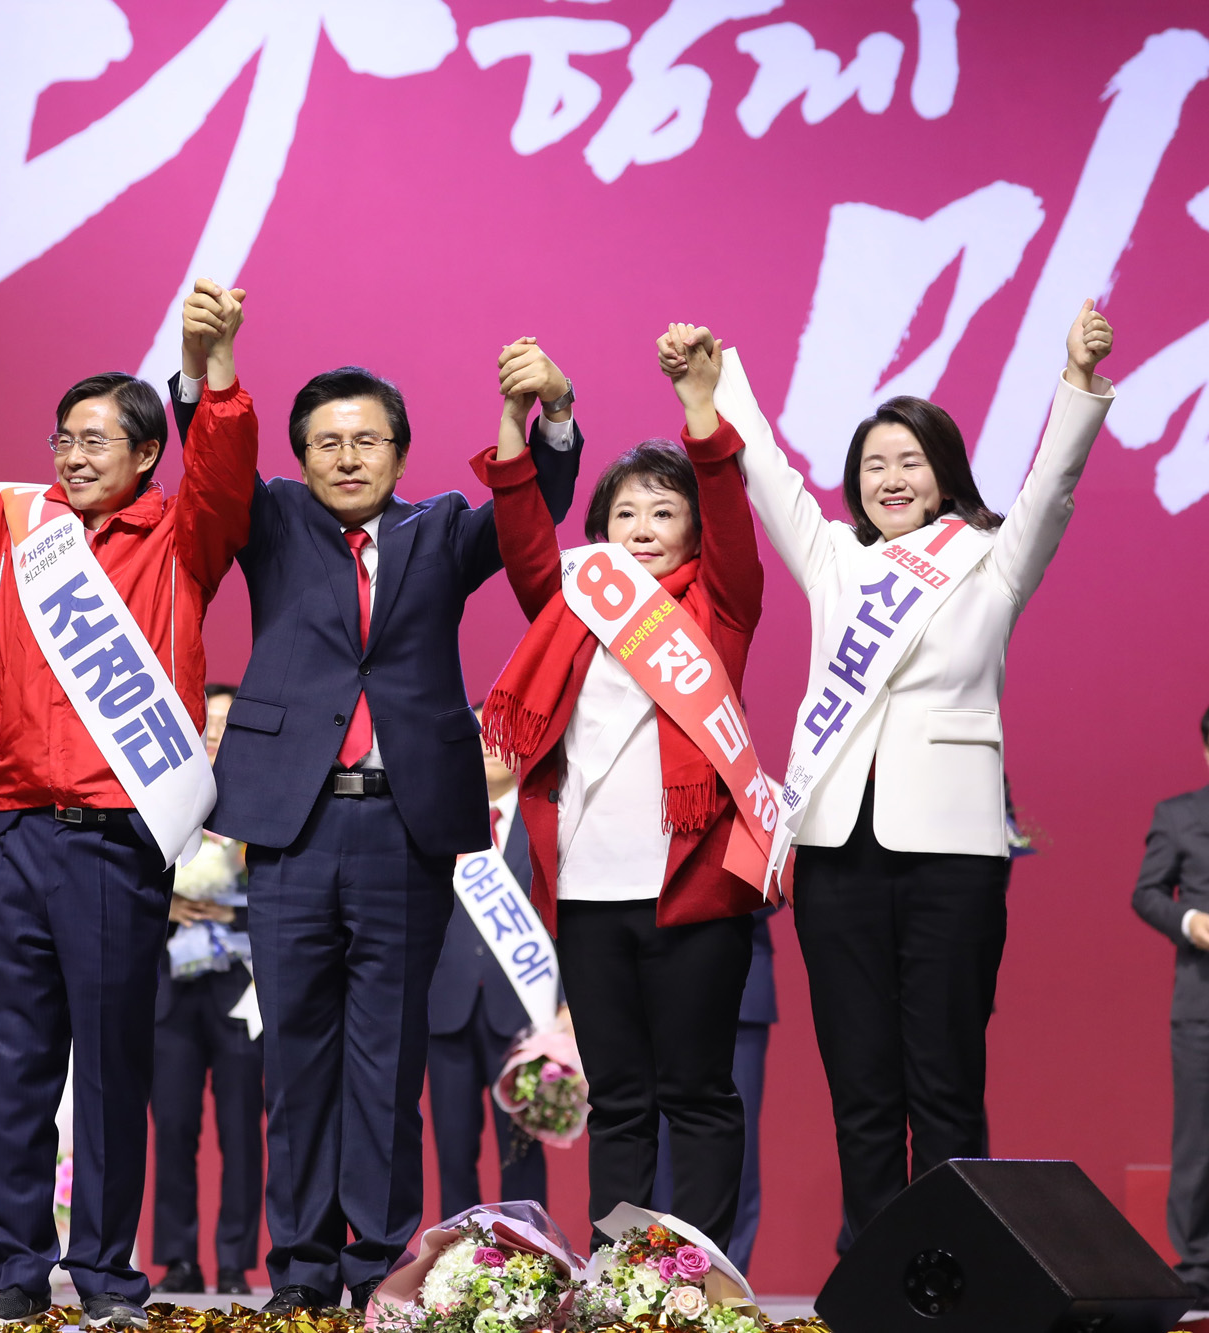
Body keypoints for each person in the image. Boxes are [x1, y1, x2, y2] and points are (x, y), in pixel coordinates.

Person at [177, 334, 576, 1313]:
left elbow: (532, 520)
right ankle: (302, 1267)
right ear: (298, 456)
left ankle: (381, 1263)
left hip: (404, 824)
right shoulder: (267, 520)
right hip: (291, 824)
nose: (345, 457)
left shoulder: (441, 527)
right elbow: (211, 466)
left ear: (399, 451)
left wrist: (550, 418)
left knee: (387, 1060)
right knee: (295, 1055)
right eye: (323, 441)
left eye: (365, 440)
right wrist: (207, 373)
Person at [0, 279, 257, 1330]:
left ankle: (102, 1271)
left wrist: (211, 370)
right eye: (62, 437)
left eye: (97, 438)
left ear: (146, 452)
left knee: (108, 1064)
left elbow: (226, 467)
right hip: (20, 833)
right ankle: (13, 1263)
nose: (73, 454)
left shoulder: (183, 536)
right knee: (13, 1059)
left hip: (115, 840)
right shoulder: (17, 530)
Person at [721, 302, 1114, 1245]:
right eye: (873, 465)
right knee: (860, 1081)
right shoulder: (834, 561)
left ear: (944, 472)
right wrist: (716, 381)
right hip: (835, 854)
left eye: (910, 460)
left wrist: (1077, 383)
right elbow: (768, 477)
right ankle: (872, 1269)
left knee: (942, 1077)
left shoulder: (992, 559)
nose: (891, 478)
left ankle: (957, 1273)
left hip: (951, 853)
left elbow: (1052, 483)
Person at [477, 329, 765, 1251]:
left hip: (694, 890)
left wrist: (698, 410)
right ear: (601, 532)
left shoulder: (719, 604)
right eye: (625, 515)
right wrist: (514, 425)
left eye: (663, 513)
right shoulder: (572, 602)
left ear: (691, 528)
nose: (642, 530)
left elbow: (728, 507)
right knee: (624, 1098)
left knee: (699, 1091)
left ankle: (704, 1269)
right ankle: (619, 1266)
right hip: (592, 893)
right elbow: (523, 537)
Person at [150, 684, 261, 1298]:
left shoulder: (263, 788)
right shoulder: (168, 792)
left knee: (243, 1128)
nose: (215, 729)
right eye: (207, 719)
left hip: (241, 990)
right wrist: (173, 906)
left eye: (227, 719)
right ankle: (176, 1257)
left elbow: (283, 886)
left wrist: (230, 917)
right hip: (170, 986)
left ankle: (236, 1260)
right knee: (172, 1125)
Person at [425, 707, 554, 1223]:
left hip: (523, 1011)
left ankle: (530, 1256)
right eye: (474, 736)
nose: (483, 745)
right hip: (447, 1007)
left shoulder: (546, 822)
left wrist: (565, 1005)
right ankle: (455, 1266)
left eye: (495, 736)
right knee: (453, 1151)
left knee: (520, 1152)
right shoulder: (439, 818)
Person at [1129, 709, 1209, 1300]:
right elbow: (1147, 892)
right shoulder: (1179, 815)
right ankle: (1200, 1269)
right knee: (1199, 1142)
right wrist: (1190, 920)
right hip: (1202, 1005)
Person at [652, 907, 777, 1275]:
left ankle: (726, 1289)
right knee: (653, 1145)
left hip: (735, 971)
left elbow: (771, 869)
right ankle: (653, 1282)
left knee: (732, 1148)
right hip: (652, 964)